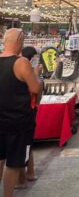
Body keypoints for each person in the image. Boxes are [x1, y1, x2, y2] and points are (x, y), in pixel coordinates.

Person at [0, 29, 43, 197]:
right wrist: (36, 75)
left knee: (1, 157)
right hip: (19, 121)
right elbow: (35, 87)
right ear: (19, 41)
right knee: (14, 162)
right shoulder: (21, 62)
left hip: (1, 119)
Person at [14, 47, 40, 189]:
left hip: (26, 111)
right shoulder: (26, 69)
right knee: (24, 146)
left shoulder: (18, 67)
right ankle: (22, 177)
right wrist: (36, 75)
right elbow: (36, 91)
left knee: (27, 144)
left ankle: (28, 173)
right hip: (25, 111)